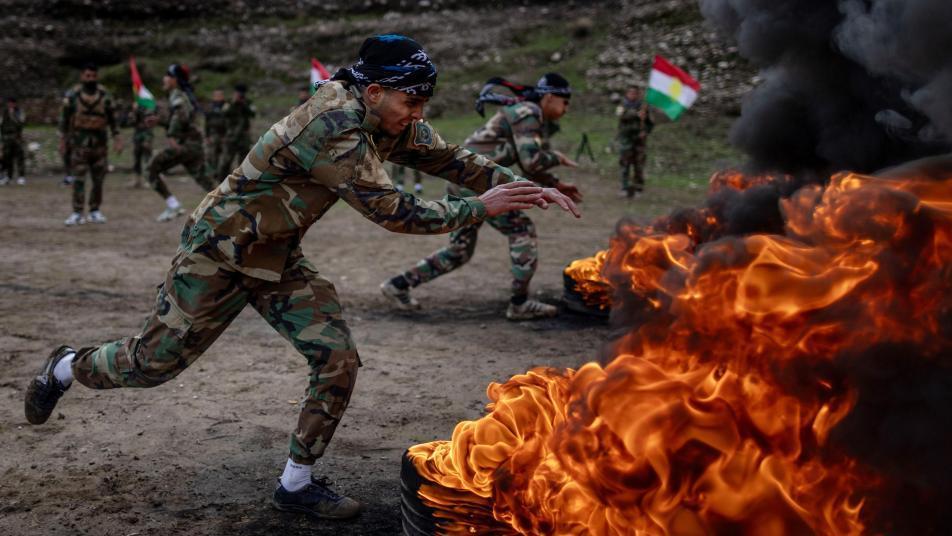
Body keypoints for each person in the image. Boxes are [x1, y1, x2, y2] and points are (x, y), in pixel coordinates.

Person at [23, 34, 578, 521]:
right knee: (151, 365)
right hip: (218, 252)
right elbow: (395, 212)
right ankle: (67, 366)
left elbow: (451, 159)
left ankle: (296, 485)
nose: (418, 113)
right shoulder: (332, 124)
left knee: (336, 357)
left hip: (276, 255)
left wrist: (518, 185)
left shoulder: (387, 113)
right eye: (412, 101)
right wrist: (483, 207)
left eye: (424, 102)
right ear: (376, 91)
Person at [382, 73, 583, 320]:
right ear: (550, 97)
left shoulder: (527, 114)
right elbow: (532, 160)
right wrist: (557, 157)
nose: (567, 108)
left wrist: (556, 183)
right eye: (565, 101)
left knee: (459, 251)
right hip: (478, 182)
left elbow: (524, 160)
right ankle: (519, 303)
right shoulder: (527, 112)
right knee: (522, 230)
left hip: (465, 180)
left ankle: (398, 285)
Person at [146, 64, 216, 222]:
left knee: (151, 168)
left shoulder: (178, 96)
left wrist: (171, 135)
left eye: (167, 76)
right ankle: (238, 209)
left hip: (186, 145)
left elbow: (180, 116)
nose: (164, 79)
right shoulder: (182, 95)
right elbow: (183, 118)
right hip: (194, 146)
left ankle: (173, 206)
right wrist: (160, 121)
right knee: (206, 181)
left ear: (175, 79)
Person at [60, 63, 123, 225]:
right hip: (79, 145)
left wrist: (117, 138)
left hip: (100, 146)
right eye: (88, 76)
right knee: (78, 179)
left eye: (93, 76)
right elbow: (65, 120)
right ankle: (77, 212)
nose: (90, 79)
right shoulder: (73, 96)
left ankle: (95, 210)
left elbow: (113, 119)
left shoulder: (104, 95)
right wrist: (63, 141)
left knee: (98, 180)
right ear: (82, 76)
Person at [616, 85, 653, 198]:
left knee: (639, 165)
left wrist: (645, 132)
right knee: (625, 164)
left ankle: (638, 188)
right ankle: (624, 187)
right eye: (630, 93)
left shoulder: (644, 107)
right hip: (626, 140)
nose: (632, 95)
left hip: (639, 142)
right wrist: (636, 114)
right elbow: (622, 116)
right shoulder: (623, 106)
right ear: (627, 94)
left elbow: (650, 123)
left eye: (635, 93)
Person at [215, 83, 256, 181]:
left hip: (244, 137)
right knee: (226, 161)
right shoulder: (229, 103)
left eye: (241, 93)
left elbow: (253, 114)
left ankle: (242, 182)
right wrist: (234, 103)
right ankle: (221, 181)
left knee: (244, 162)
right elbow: (223, 113)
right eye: (238, 93)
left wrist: (244, 104)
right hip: (231, 136)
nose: (239, 95)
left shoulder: (248, 102)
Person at [127, 101, 156, 188]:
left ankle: (151, 180)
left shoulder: (148, 108)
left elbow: (150, 124)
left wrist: (148, 139)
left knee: (148, 159)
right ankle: (137, 180)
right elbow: (129, 124)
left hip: (146, 136)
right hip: (137, 137)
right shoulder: (135, 110)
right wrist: (133, 113)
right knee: (137, 159)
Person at [0, 97, 26, 185]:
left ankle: (21, 176)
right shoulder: (4, 112)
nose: (10, 105)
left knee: (20, 157)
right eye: (9, 103)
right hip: (7, 138)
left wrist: (13, 115)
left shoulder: (19, 112)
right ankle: (8, 176)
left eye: (12, 103)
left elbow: (21, 122)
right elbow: (2, 125)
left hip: (17, 138)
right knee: (7, 158)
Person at [203, 88, 227, 180]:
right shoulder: (210, 108)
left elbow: (230, 122)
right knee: (211, 155)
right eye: (216, 95)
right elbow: (206, 123)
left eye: (220, 95)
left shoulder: (226, 106)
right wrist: (207, 136)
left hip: (224, 135)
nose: (218, 97)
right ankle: (213, 173)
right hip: (213, 134)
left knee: (224, 156)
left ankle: (223, 174)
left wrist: (227, 135)